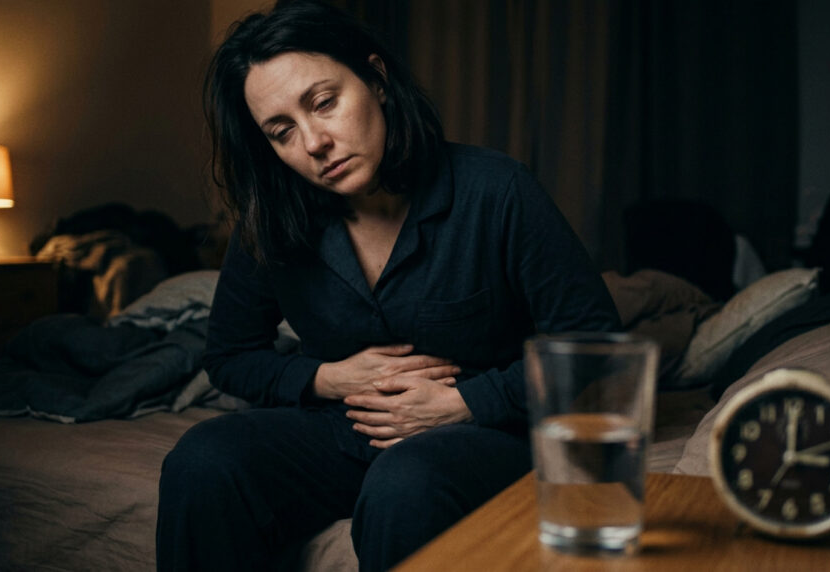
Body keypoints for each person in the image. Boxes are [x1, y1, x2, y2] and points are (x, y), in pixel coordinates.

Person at [155, 1, 619, 570]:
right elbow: (229, 356)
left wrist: (466, 402)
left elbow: (597, 347)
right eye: (282, 132)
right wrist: (325, 377)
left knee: (407, 482)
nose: (313, 143)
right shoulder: (271, 220)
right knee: (201, 460)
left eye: (324, 104)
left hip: (487, 437)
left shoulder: (496, 190)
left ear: (375, 78)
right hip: (341, 433)